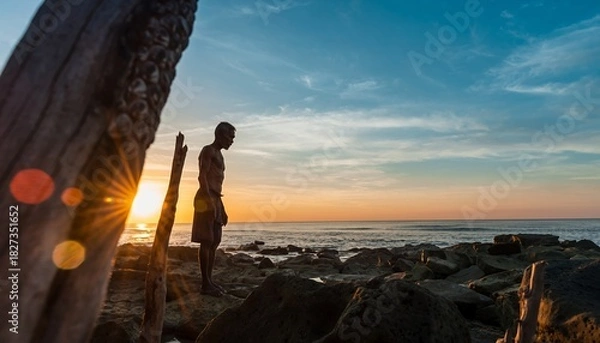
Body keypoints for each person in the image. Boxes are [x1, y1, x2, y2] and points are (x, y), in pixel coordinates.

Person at [192, 121, 235, 296]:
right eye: (230, 137)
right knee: (207, 240)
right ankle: (205, 284)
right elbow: (202, 176)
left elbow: (217, 185)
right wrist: (209, 200)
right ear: (220, 135)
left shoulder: (221, 155)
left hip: (216, 197)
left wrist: (221, 208)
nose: (232, 141)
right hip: (205, 197)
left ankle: (209, 281)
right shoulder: (208, 151)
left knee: (215, 241)